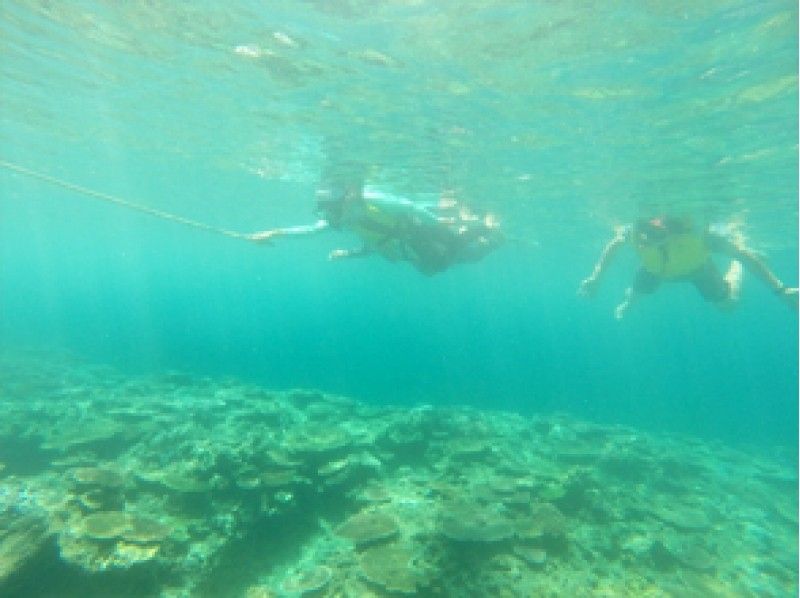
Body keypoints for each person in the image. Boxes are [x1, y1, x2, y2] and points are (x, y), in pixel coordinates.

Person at [247, 183, 503, 275]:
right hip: (409, 249)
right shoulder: (345, 220)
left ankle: (488, 229)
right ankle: (488, 238)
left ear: (346, 201)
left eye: (334, 210)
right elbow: (311, 231)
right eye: (329, 213)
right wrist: (272, 233)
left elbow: (410, 206)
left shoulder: (370, 200)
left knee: (455, 252)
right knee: (444, 263)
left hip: (421, 234)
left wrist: (438, 224)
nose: (332, 218)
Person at [578, 215, 798, 319]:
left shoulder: (699, 237)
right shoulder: (635, 232)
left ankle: (733, 272)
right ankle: (627, 303)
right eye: (643, 230)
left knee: (728, 307)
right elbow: (613, 246)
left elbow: (744, 256)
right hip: (655, 270)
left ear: (670, 231)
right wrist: (596, 277)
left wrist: (780, 290)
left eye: (656, 234)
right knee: (632, 299)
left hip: (698, 270)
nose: (646, 238)